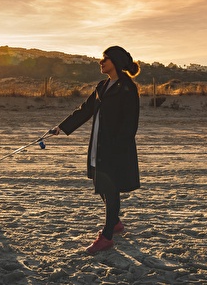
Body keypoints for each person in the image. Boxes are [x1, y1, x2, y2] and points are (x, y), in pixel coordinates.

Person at [51, 45, 141, 254]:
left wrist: (117, 149)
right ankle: (116, 222)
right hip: (98, 146)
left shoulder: (127, 87)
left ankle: (108, 235)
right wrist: (61, 128)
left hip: (115, 148)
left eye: (105, 59)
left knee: (111, 189)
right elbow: (85, 110)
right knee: (101, 184)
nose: (101, 62)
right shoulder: (103, 85)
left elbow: (130, 124)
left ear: (116, 63)